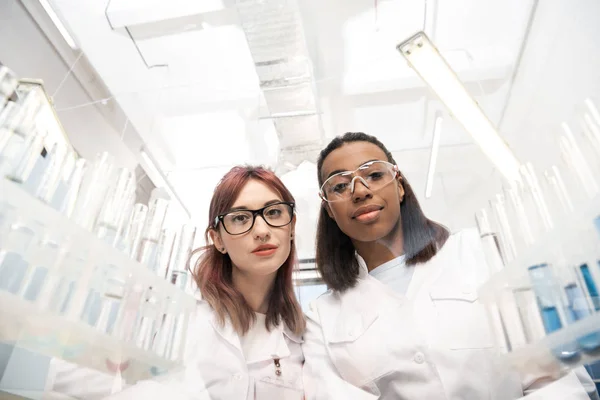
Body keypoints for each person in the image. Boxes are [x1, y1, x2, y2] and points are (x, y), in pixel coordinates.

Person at [302, 132, 597, 399]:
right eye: (339, 185)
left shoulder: (481, 252)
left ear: (400, 186)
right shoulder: (322, 317)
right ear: (328, 207)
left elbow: (560, 379)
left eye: (375, 174)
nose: (360, 190)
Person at [44, 165, 305, 400]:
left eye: (273, 212)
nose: (261, 230)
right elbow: (69, 384)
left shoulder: (304, 336)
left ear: (291, 226)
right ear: (218, 240)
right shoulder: (168, 307)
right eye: (240, 218)